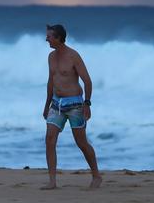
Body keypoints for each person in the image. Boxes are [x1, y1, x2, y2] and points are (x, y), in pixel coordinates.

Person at [41, 24, 102, 190]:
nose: (46, 39)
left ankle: (96, 175)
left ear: (59, 38)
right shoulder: (51, 57)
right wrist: (46, 105)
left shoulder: (73, 56)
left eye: (50, 36)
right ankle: (52, 181)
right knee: (49, 139)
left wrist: (87, 104)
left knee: (81, 142)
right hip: (56, 104)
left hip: (75, 104)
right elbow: (51, 81)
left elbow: (87, 81)